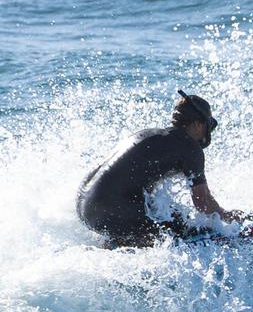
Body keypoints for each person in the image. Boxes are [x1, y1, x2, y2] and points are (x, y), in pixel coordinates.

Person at [76, 90, 241, 247]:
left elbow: (140, 186)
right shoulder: (190, 148)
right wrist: (231, 218)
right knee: (172, 235)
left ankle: (118, 240)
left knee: (172, 218)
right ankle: (127, 242)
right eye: (209, 124)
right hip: (108, 209)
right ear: (198, 124)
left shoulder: (151, 135)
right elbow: (203, 202)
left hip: (85, 205)